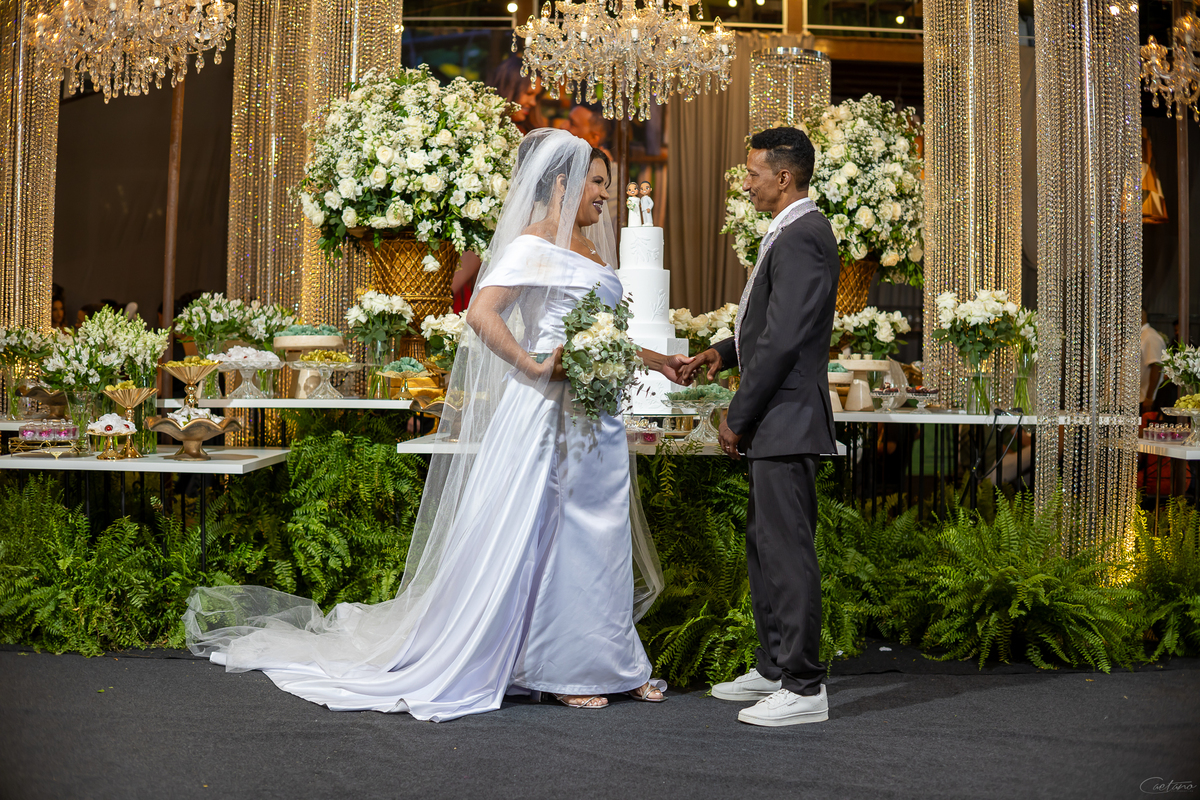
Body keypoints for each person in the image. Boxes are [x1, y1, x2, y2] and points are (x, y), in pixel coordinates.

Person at [184, 129, 690, 720]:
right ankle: (558, 666)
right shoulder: (532, 244)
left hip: (595, 416)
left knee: (600, 535)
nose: (605, 194)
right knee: (554, 535)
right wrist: (532, 364)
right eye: (597, 182)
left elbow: (606, 335)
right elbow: (481, 313)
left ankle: (613, 661)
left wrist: (659, 361)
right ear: (563, 184)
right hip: (545, 412)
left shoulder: (593, 252)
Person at [680, 126, 839, 727]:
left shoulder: (803, 234)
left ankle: (803, 686)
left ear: (785, 177)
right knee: (765, 547)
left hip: (786, 416)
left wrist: (737, 414)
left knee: (787, 551)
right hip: (778, 416)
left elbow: (783, 338)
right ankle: (774, 668)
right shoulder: (790, 231)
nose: (745, 184)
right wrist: (722, 352)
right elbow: (766, 328)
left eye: (752, 173)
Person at [1142, 308, 1166, 414]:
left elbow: (1156, 366)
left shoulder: (1150, 336)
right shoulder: (1140, 335)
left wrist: (1149, 397)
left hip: (1144, 397)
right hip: (1134, 397)